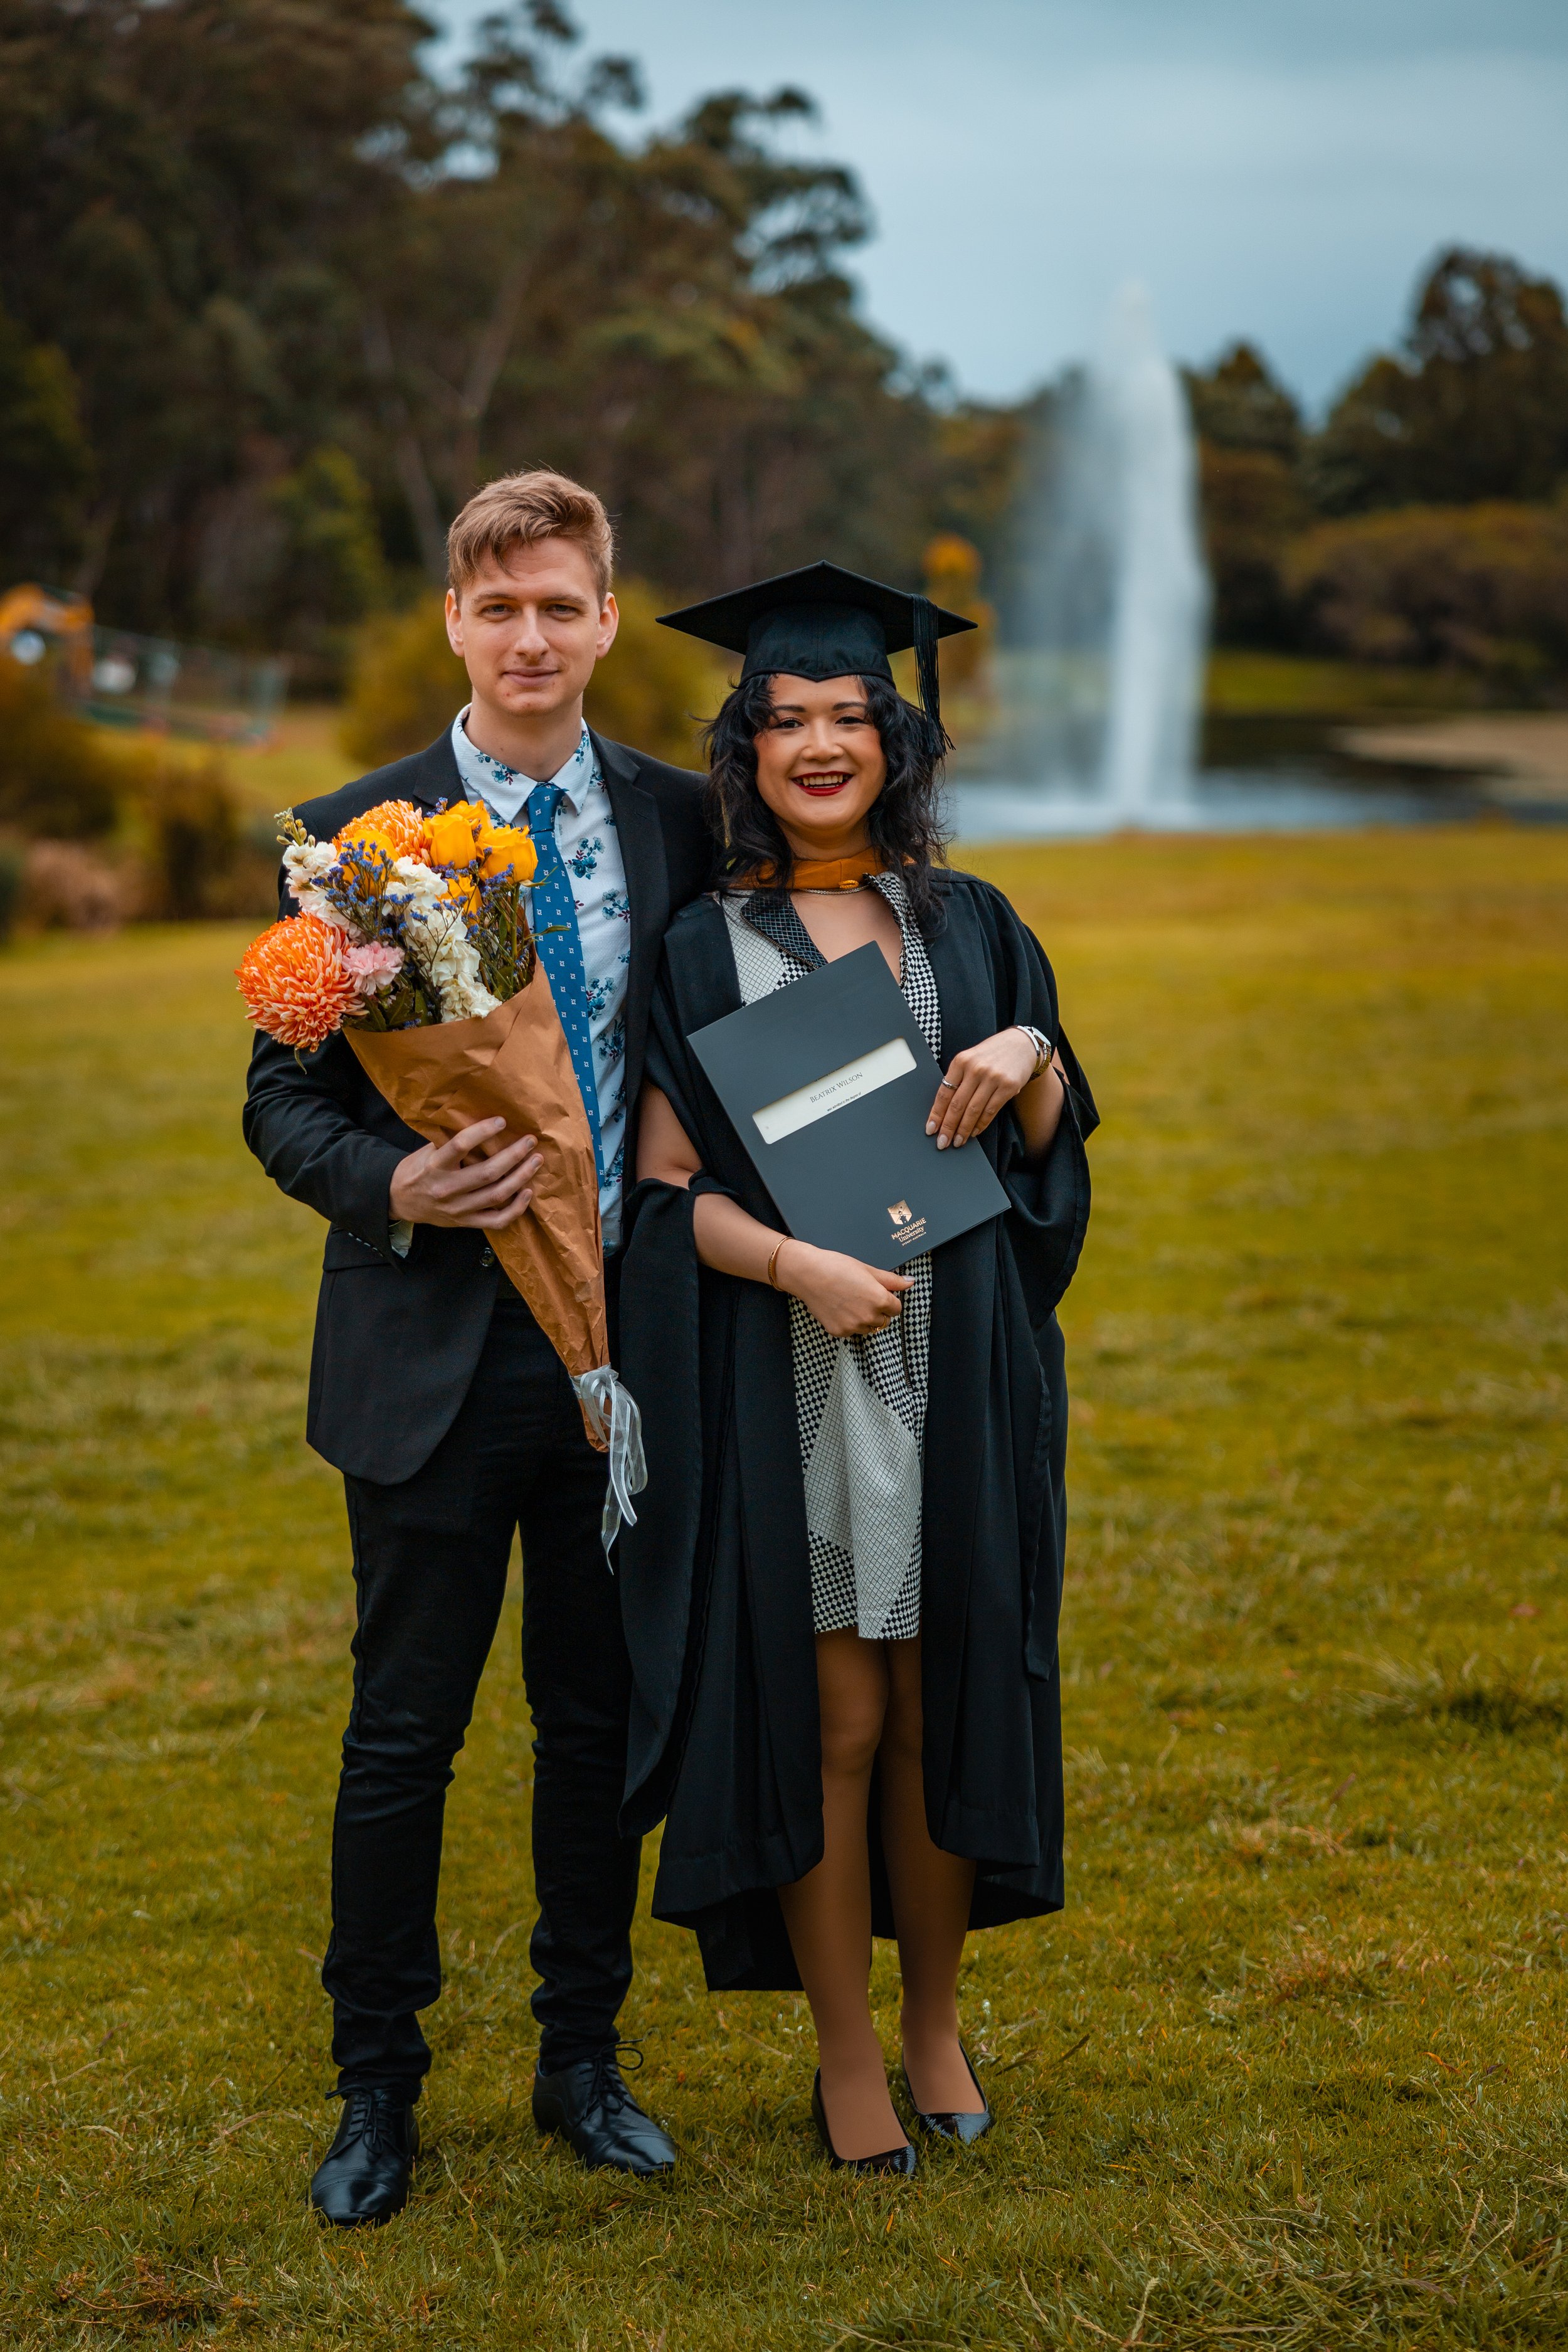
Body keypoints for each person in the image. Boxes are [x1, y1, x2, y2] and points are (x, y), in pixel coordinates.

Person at [242, 470, 712, 2225]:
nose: (529, 635)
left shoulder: (680, 819)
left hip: (623, 1354)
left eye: (561, 604)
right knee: (403, 1732)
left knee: (592, 1722)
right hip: (432, 1348)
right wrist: (400, 1179)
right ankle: (377, 2086)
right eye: (496, 603)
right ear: (454, 618)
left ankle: (582, 2060)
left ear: (606, 617)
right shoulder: (349, 839)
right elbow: (280, 1101)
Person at [617, 563, 1096, 2172]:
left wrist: (1032, 1055)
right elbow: (666, 1197)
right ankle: (841, 2055)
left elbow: (1046, 1159)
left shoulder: (974, 928)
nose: (817, 746)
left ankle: (937, 2025)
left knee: (938, 1701)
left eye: (845, 717)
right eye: (782, 721)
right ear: (741, 750)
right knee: (831, 1715)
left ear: (895, 740)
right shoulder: (702, 950)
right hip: (800, 1375)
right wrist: (797, 1264)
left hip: (955, 1371)